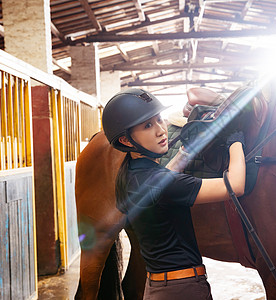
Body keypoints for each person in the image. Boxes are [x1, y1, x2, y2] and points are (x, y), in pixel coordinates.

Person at [102, 88, 246, 300]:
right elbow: (234, 186)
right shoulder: (162, 183)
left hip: (156, 287)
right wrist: (235, 140)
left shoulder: (128, 175)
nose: (161, 130)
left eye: (159, 119)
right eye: (148, 126)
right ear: (125, 140)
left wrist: (184, 154)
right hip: (185, 289)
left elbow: (160, 184)